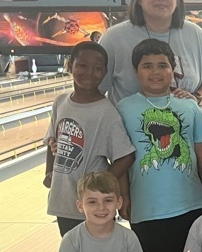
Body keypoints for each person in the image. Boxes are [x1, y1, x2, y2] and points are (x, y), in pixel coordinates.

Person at [116, 39, 202, 252]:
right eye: (147, 66)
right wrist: (124, 195)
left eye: (162, 65)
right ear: (136, 71)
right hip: (147, 206)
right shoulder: (124, 108)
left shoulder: (188, 106)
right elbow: (122, 156)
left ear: (173, 70)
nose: (155, 72)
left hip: (191, 203)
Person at [43, 41, 134, 236]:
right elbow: (51, 140)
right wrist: (48, 172)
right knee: (72, 251)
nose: (89, 73)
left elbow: (125, 156)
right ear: (70, 66)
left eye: (97, 68)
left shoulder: (106, 112)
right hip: (63, 200)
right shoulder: (60, 102)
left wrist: (99, 186)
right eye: (83, 65)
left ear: (104, 72)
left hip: (93, 206)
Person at [100, 0, 202, 109]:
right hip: (130, 123)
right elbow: (95, 90)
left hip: (189, 122)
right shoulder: (114, 37)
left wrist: (195, 98)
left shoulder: (195, 34)